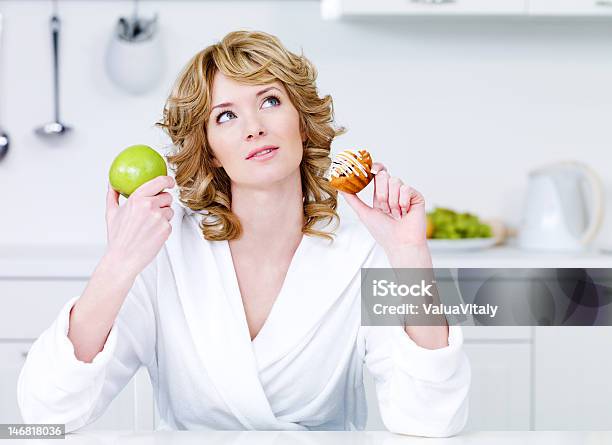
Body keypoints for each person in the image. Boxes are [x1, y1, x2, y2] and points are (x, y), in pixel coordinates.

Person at [17, 30, 470, 435]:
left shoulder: (361, 252)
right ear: (210, 150)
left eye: (270, 101)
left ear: (301, 121)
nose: (254, 128)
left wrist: (410, 256)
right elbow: (46, 414)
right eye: (226, 116)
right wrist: (117, 263)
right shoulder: (165, 250)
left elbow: (428, 420)